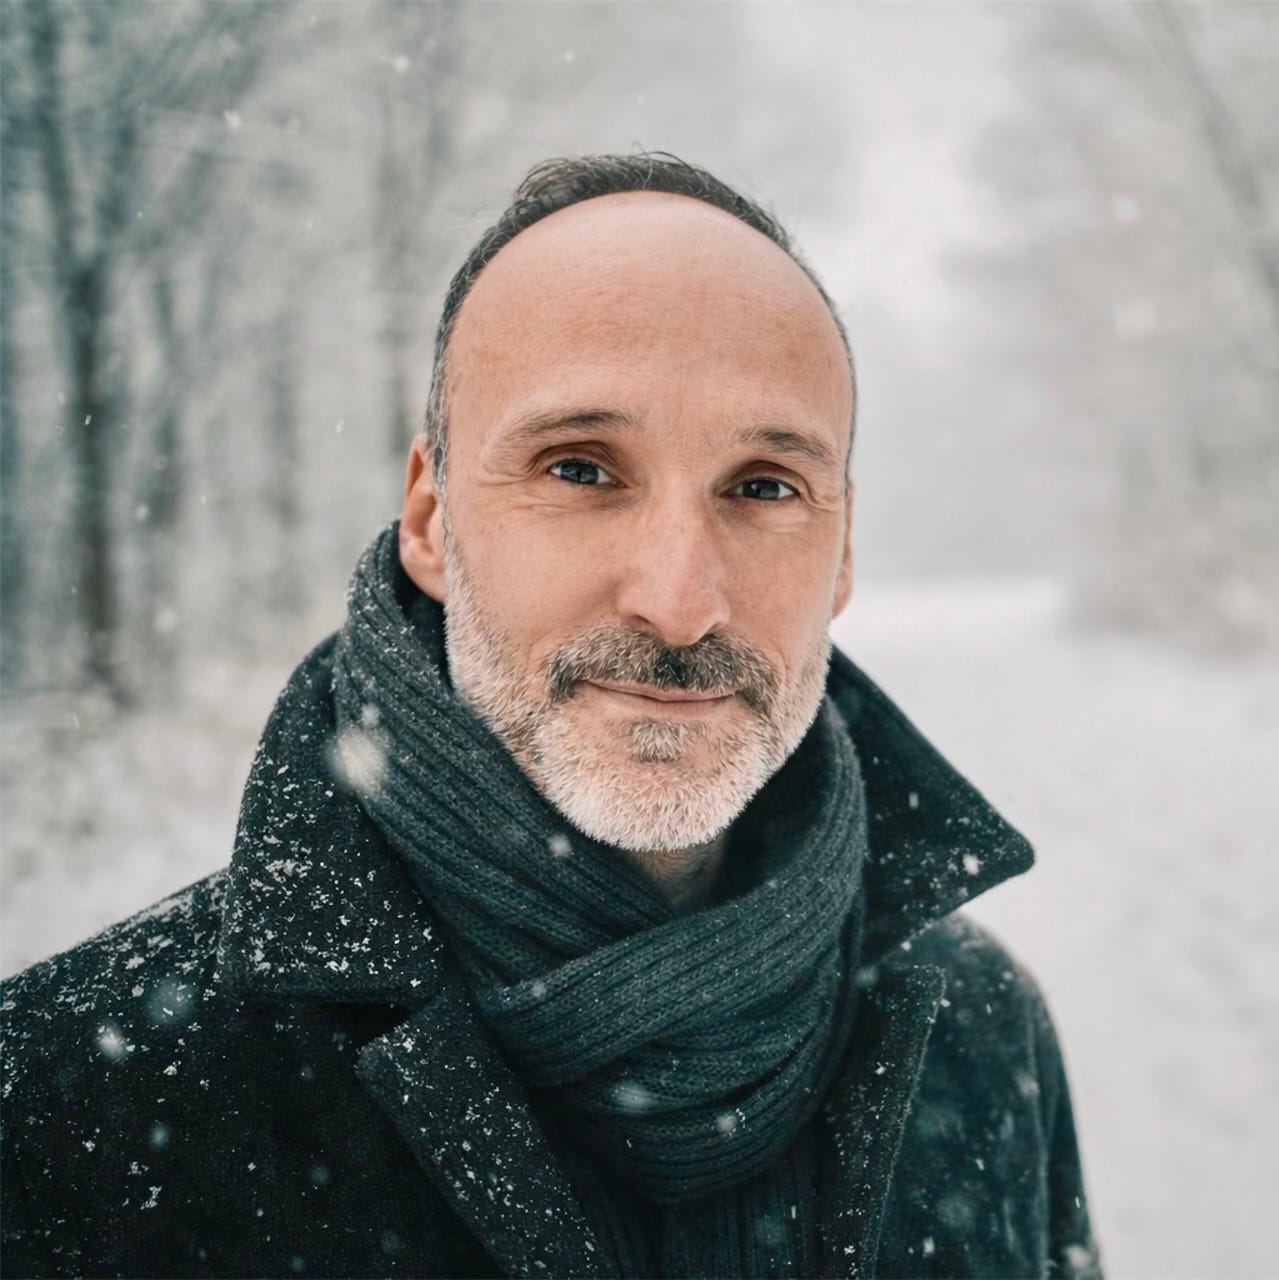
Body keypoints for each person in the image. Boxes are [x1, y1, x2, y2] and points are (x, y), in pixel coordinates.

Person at [0, 153, 1102, 1279]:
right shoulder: (66, 1098)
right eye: (580, 467)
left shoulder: (977, 1025)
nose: (679, 601)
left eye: (764, 485)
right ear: (430, 519)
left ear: (841, 552)